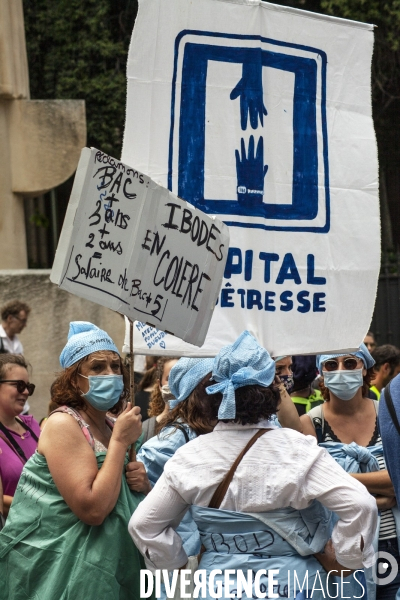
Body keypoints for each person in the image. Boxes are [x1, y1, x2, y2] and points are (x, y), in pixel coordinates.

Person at [129, 331, 377, 600]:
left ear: (216, 395)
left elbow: (144, 525)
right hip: (293, 587)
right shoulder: (298, 450)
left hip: (215, 589)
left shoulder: (190, 456)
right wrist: (346, 560)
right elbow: (361, 505)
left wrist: (175, 565)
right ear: (273, 391)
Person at [0, 322, 149, 600]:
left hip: (114, 571)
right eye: (97, 367)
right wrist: (118, 443)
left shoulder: (111, 424)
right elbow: (92, 510)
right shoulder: (62, 424)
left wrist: (142, 484)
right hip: (66, 576)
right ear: (73, 379)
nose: (111, 374)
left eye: (116, 367)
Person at [301, 344, 400, 600]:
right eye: (331, 365)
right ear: (321, 373)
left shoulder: (388, 413)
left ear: (365, 369)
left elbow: (396, 480)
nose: (341, 370)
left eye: (350, 363)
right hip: (339, 547)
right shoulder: (310, 423)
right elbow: (309, 489)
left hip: (392, 541)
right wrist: (375, 498)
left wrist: (336, 481)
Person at [0, 354, 40, 517]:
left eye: (29, 387)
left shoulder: (33, 425)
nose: (25, 392)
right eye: (19, 385)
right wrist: (38, 502)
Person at [141, 356, 178, 443]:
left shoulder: (198, 428)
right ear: (159, 384)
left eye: (181, 377)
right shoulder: (145, 430)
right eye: (169, 378)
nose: (176, 382)